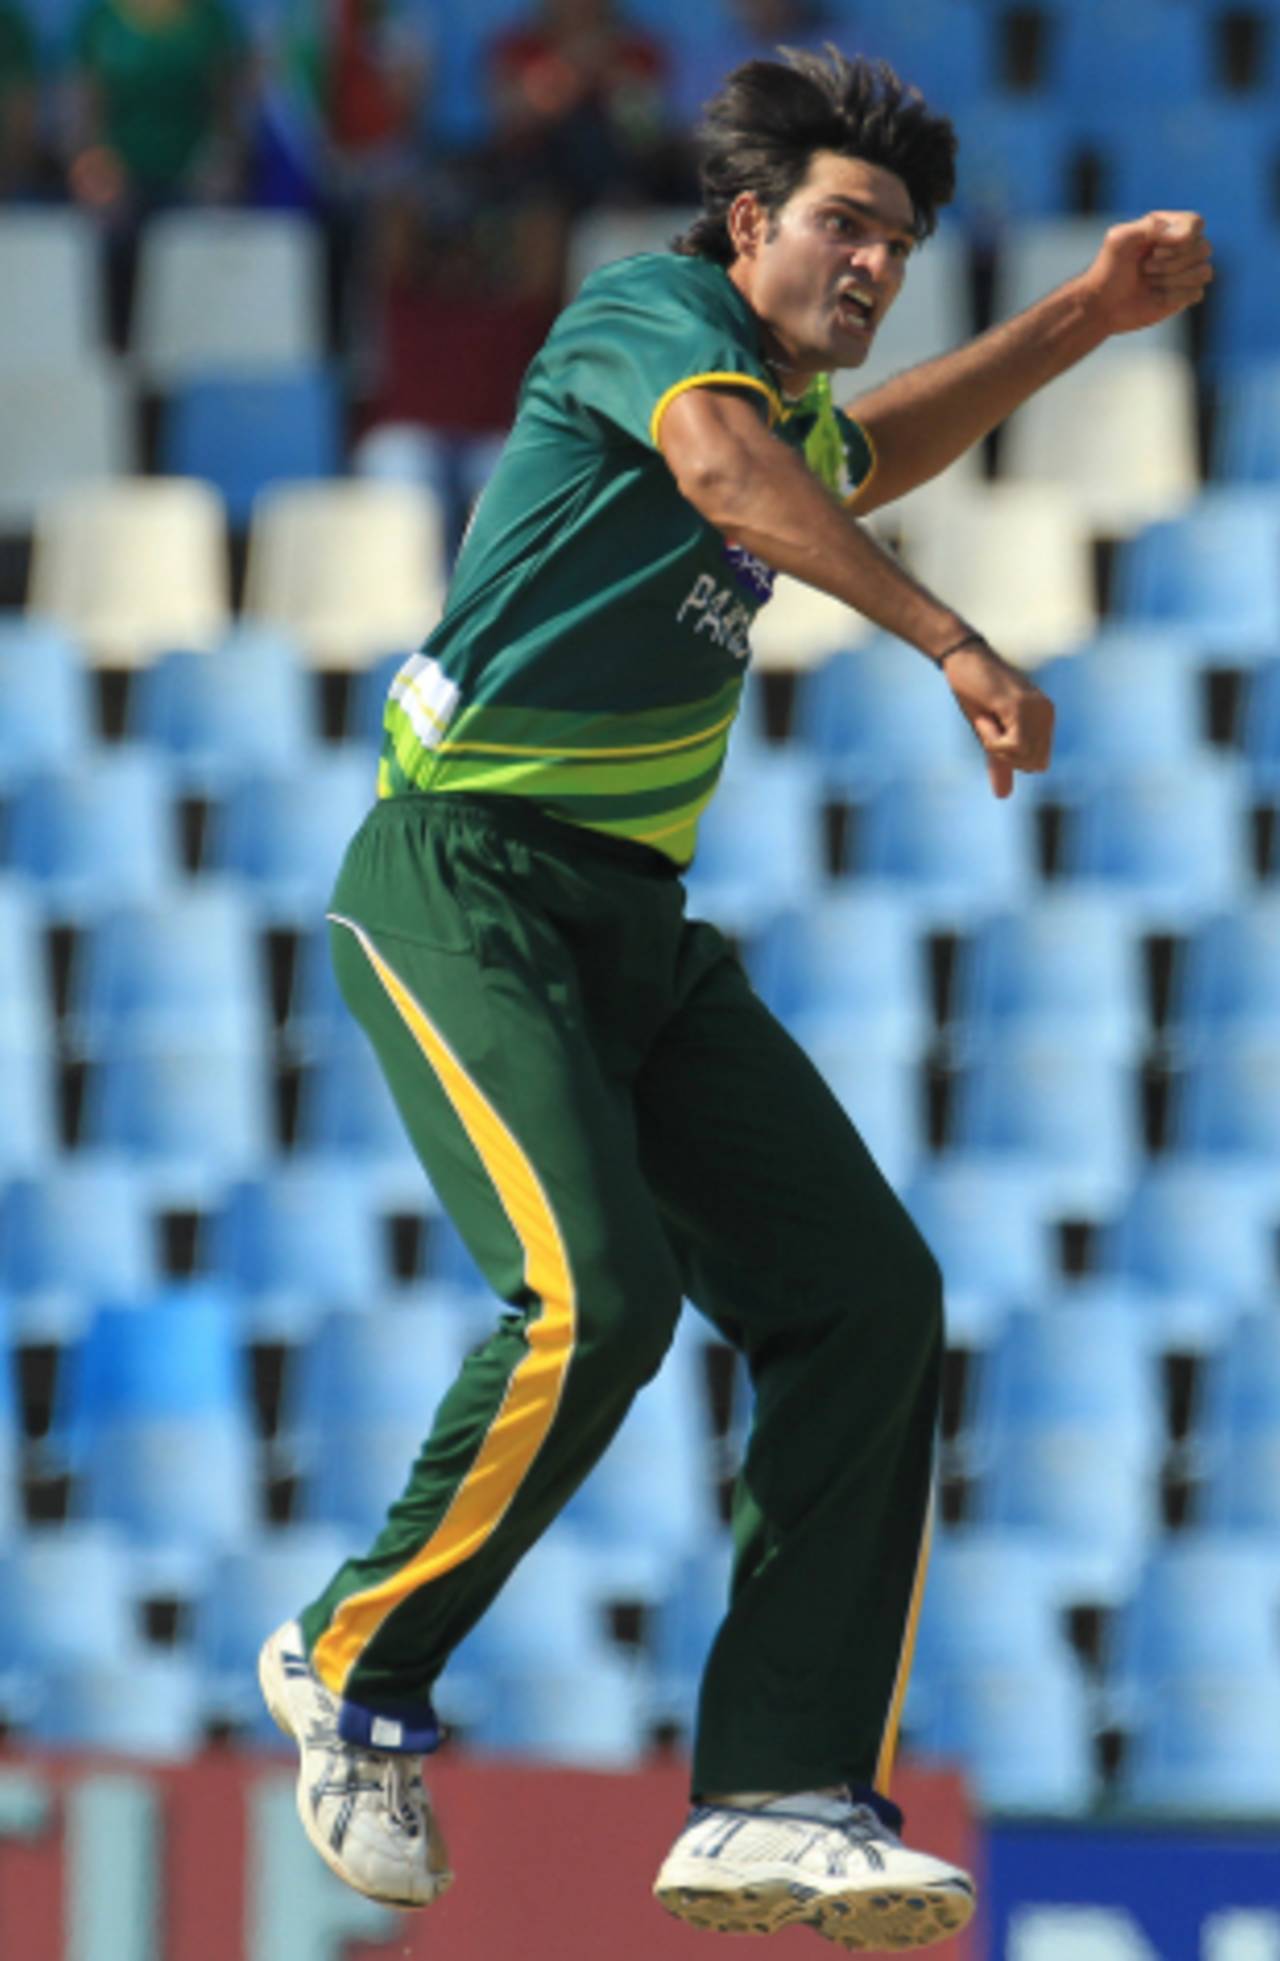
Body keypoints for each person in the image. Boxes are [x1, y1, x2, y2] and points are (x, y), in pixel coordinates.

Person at [258, 47, 1212, 1951]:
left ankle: (778, 1790)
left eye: (902, 246)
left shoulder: (787, 406)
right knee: (596, 1296)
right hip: (467, 882)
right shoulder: (651, 317)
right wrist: (948, 634)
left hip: (635, 927)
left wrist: (1085, 318)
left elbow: (876, 446)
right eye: (847, 226)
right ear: (753, 219)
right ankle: (352, 1660)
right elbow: (730, 474)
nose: (874, 269)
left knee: (870, 1294)